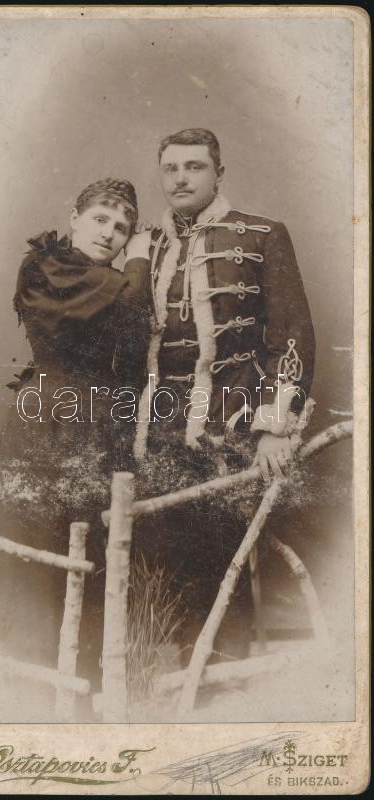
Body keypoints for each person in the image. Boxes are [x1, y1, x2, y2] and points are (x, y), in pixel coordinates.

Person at [126, 128, 316, 668]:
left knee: (223, 546)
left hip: (232, 419)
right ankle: (161, 678)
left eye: (195, 167)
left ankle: (221, 673)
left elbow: (292, 333)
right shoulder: (144, 244)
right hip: (156, 424)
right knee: (157, 546)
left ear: (219, 174)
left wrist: (274, 425)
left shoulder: (263, 234)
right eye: (171, 168)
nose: (181, 178)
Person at [0, 178, 149, 718]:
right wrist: (140, 258)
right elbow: (130, 299)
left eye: (123, 229)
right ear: (74, 217)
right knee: (34, 543)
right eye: (100, 219)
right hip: (47, 417)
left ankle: (80, 694)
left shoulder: (108, 279)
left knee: (92, 547)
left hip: (100, 423)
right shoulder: (48, 267)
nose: (110, 233)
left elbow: (133, 349)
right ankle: (21, 691)